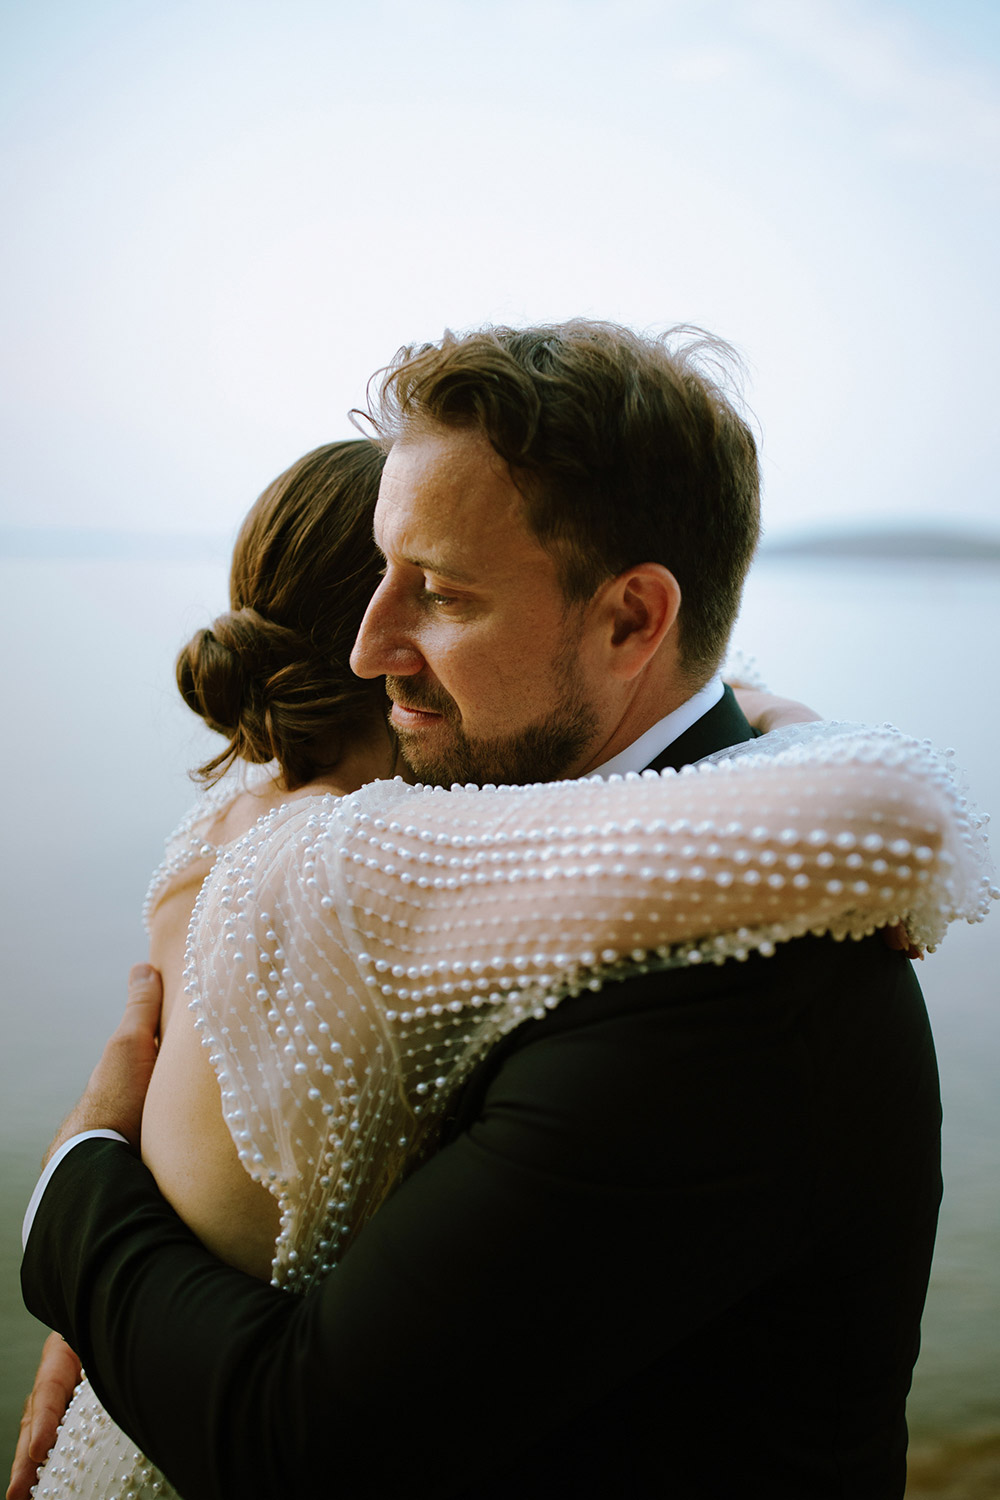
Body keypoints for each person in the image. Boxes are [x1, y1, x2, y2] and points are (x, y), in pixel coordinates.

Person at [15, 321, 994, 1500]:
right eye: (380, 573)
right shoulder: (516, 831)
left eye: (438, 594)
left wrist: (77, 1187)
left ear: (634, 621)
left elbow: (299, 1444)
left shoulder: (730, 988)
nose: (372, 646)